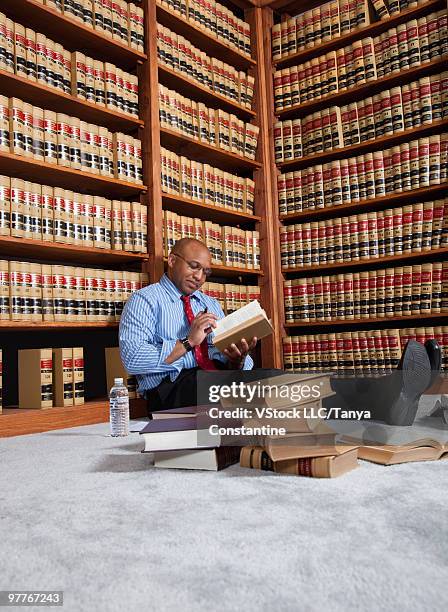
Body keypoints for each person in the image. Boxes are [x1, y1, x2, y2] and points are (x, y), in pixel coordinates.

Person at [119, 238, 259, 413]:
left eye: (206, 272)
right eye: (193, 266)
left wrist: (237, 360)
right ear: (172, 261)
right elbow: (133, 358)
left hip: (215, 378)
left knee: (279, 382)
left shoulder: (211, 304)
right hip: (170, 388)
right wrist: (188, 341)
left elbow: (233, 365)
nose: (199, 277)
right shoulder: (144, 300)